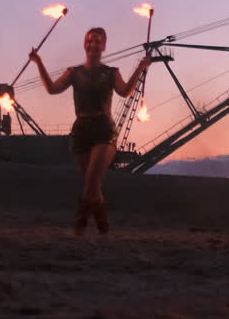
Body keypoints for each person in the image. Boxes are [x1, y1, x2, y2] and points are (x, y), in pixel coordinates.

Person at [30, 27, 151, 235]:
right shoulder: (73, 72)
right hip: (80, 131)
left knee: (92, 181)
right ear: (85, 45)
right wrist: (38, 61)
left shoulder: (111, 73)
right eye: (90, 41)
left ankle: (79, 225)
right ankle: (103, 228)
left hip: (104, 129)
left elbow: (125, 92)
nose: (93, 44)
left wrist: (141, 67)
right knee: (92, 185)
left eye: (97, 41)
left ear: (103, 46)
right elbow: (52, 89)